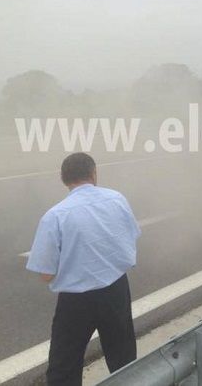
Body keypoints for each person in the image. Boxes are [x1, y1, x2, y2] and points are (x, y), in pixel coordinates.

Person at [26, 153, 141, 386]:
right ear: (94, 173)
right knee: (124, 359)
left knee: (64, 366)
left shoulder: (56, 215)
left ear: (63, 178)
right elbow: (131, 236)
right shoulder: (117, 199)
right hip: (117, 289)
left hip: (76, 301)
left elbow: (46, 273)